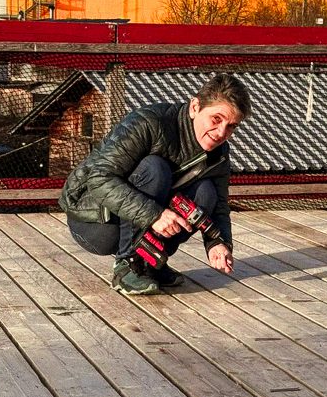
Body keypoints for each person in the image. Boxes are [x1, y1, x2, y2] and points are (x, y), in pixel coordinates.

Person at [59, 73, 251, 296]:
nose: (221, 133)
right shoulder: (150, 123)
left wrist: (218, 243)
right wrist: (155, 215)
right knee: (154, 168)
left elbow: (218, 206)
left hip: (134, 216)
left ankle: (151, 263)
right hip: (95, 222)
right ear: (195, 107)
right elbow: (99, 179)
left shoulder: (219, 153)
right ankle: (128, 265)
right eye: (216, 119)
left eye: (231, 127)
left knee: (206, 193)